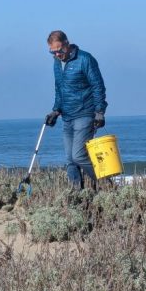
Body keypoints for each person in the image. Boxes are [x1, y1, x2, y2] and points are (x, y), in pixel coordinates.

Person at [45, 30, 107, 188]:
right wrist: (55, 110)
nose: (57, 54)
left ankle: (106, 185)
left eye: (60, 50)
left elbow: (98, 86)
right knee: (70, 160)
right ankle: (76, 195)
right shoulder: (57, 63)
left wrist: (99, 112)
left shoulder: (85, 59)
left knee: (79, 156)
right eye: (53, 51)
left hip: (85, 113)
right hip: (67, 116)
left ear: (67, 43)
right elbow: (59, 89)